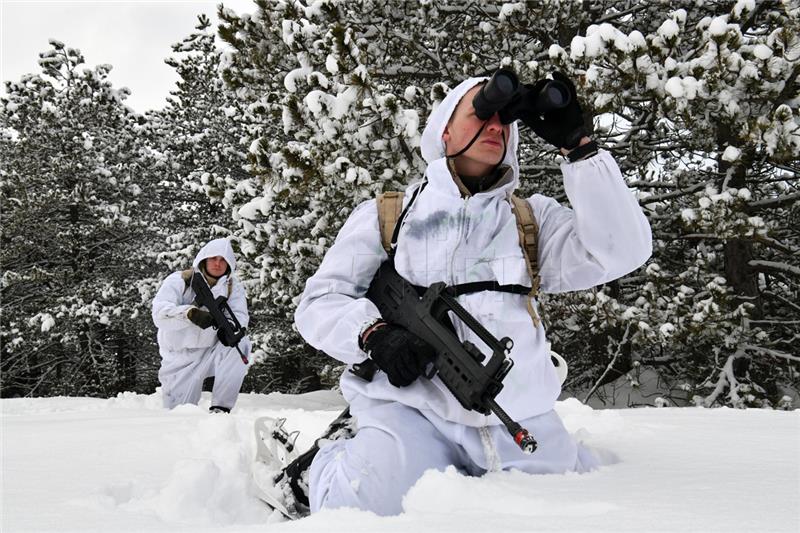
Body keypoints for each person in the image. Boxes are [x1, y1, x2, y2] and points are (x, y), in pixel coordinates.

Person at [293, 72, 652, 516]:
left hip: (517, 413)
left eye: (504, 120)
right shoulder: (389, 216)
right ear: (444, 131)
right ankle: (319, 465)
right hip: (412, 410)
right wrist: (373, 335)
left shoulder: (531, 221)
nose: (495, 126)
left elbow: (623, 251)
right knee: (368, 505)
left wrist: (579, 149)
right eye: (481, 113)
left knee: (561, 512)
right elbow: (319, 302)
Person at [152, 237, 251, 413]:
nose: (218, 264)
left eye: (223, 260)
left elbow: (240, 316)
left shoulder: (232, 288)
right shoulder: (180, 281)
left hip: (209, 352)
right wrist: (189, 314)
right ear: (204, 259)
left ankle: (221, 408)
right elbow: (159, 315)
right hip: (178, 358)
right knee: (177, 415)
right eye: (213, 258)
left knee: (239, 344)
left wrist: (228, 329)